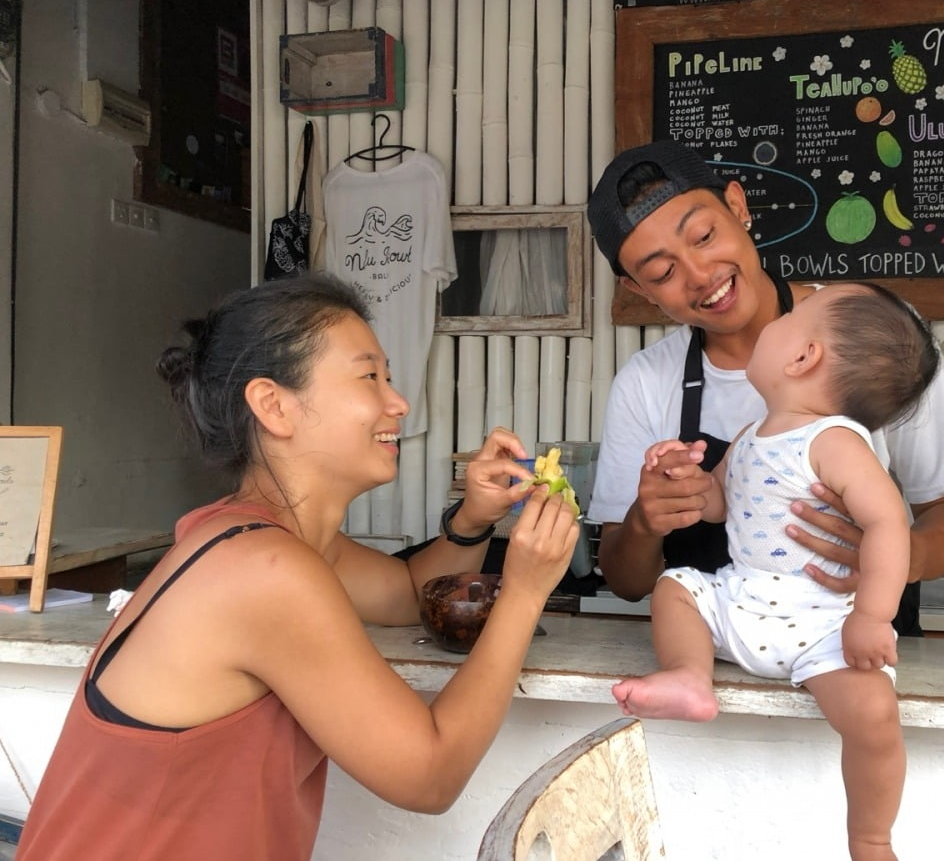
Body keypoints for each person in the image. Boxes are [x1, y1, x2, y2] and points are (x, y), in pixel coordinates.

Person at [16, 275, 579, 861]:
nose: (398, 401)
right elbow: (430, 774)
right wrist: (522, 591)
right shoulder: (262, 570)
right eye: (370, 376)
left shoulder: (250, 538)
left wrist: (472, 520)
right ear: (273, 405)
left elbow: (411, 595)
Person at [586, 139, 944, 636]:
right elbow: (628, 581)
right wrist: (646, 522)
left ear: (738, 206)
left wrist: (905, 555)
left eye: (705, 235)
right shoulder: (646, 383)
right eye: (663, 272)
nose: (700, 275)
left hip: (851, 655)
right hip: (719, 659)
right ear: (639, 290)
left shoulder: (868, 333)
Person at [613, 281, 940, 861]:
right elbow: (719, 502)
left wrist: (871, 615)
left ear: (802, 355)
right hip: (742, 601)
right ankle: (689, 675)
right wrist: (683, 484)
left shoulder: (835, 441)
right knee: (677, 588)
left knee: (872, 715)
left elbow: (888, 522)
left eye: (795, 318)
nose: (777, 321)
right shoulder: (751, 434)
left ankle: (870, 838)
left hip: (821, 627)